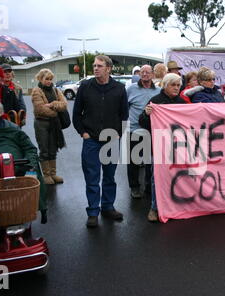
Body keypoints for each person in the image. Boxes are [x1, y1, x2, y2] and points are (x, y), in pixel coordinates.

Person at [73, 55, 128, 228]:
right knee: (92, 177)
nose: (95, 68)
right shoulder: (85, 87)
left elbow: (124, 115)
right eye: (94, 65)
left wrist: (119, 133)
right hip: (91, 140)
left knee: (110, 177)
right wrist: (83, 133)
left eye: (99, 65)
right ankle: (93, 212)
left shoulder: (119, 88)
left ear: (109, 68)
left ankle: (108, 207)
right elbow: (76, 114)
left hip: (112, 139)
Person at [138, 73, 186, 222]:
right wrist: (146, 115)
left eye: (178, 85)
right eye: (173, 85)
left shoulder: (182, 102)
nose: (176, 88)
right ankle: (155, 208)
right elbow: (142, 122)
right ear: (165, 85)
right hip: (158, 146)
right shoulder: (155, 101)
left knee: (178, 178)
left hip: (178, 147)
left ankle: (175, 206)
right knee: (157, 179)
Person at [126, 64, 160, 199]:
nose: (145, 74)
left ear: (152, 74)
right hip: (134, 130)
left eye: (148, 72)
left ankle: (148, 187)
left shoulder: (158, 90)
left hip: (152, 130)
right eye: (142, 72)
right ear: (139, 74)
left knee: (149, 161)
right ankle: (134, 187)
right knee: (133, 161)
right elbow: (125, 108)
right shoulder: (130, 89)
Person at [31, 68, 68, 185]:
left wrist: (52, 104)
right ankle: (46, 175)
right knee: (44, 149)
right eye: (46, 79)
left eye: (51, 79)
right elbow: (40, 109)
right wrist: (56, 110)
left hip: (54, 124)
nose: (49, 81)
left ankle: (53, 174)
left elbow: (64, 105)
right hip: (41, 123)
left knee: (53, 148)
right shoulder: (36, 91)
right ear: (40, 78)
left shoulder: (56, 90)